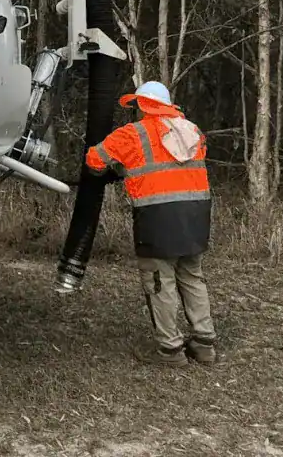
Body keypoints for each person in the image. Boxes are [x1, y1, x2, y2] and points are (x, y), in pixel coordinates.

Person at [84, 80, 218, 367]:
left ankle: (170, 351)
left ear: (143, 105)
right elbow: (172, 167)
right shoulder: (192, 131)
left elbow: (94, 160)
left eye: (136, 106)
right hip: (196, 215)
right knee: (192, 276)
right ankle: (204, 344)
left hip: (158, 218)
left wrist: (117, 169)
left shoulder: (133, 134)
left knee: (160, 282)